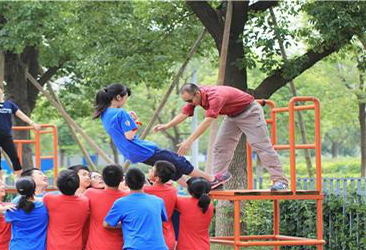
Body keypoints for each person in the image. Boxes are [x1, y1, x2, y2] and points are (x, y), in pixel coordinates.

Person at [93, 83, 230, 188]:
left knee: (168, 167)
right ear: (118, 97)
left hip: (132, 153)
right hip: (143, 149)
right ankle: (211, 179)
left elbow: (120, 131)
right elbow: (129, 135)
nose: (125, 102)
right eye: (125, 98)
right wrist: (134, 122)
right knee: (178, 161)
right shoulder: (120, 112)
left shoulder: (104, 115)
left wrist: (130, 121)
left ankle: (193, 188)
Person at [154, 83, 288, 190]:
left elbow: (207, 121)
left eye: (190, 100)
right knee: (220, 147)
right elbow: (183, 114)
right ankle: (215, 182)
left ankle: (280, 181)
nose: (190, 103)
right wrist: (167, 125)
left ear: (197, 93)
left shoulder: (215, 96)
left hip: (250, 112)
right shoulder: (195, 98)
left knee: (261, 146)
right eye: (187, 101)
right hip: (232, 115)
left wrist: (189, 141)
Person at [0, 84, 41, 180]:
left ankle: (20, 179)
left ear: (2, 90)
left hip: (6, 135)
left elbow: (21, 115)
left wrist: (32, 123)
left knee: (15, 157)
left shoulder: (10, 104)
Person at [104, 168, 168, 250]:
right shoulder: (158, 201)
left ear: (126, 183)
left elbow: (107, 224)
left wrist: (124, 223)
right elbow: (162, 219)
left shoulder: (121, 203)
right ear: (144, 181)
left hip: (135, 247)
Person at [43, 170, 89, 250]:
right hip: (75, 246)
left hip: (54, 246)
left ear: (58, 184)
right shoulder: (84, 201)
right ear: (78, 185)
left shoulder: (49, 198)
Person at [85, 165, 128, 250]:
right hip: (120, 246)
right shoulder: (128, 197)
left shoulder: (90, 193)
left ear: (102, 178)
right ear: (122, 179)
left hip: (95, 247)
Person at [5, 177, 48, 250]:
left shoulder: (12, 208)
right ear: (34, 189)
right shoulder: (45, 206)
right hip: (39, 247)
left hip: (17, 247)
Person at [144, 160, 178, 250]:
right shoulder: (173, 191)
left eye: (152, 170)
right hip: (168, 237)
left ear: (157, 178)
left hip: (150, 238)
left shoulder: (145, 190)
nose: (149, 170)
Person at [175, 177, 214, 250]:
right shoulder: (209, 206)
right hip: (204, 246)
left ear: (191, 192)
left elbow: (169, 196)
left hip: (185, 247)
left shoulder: (183, 202)